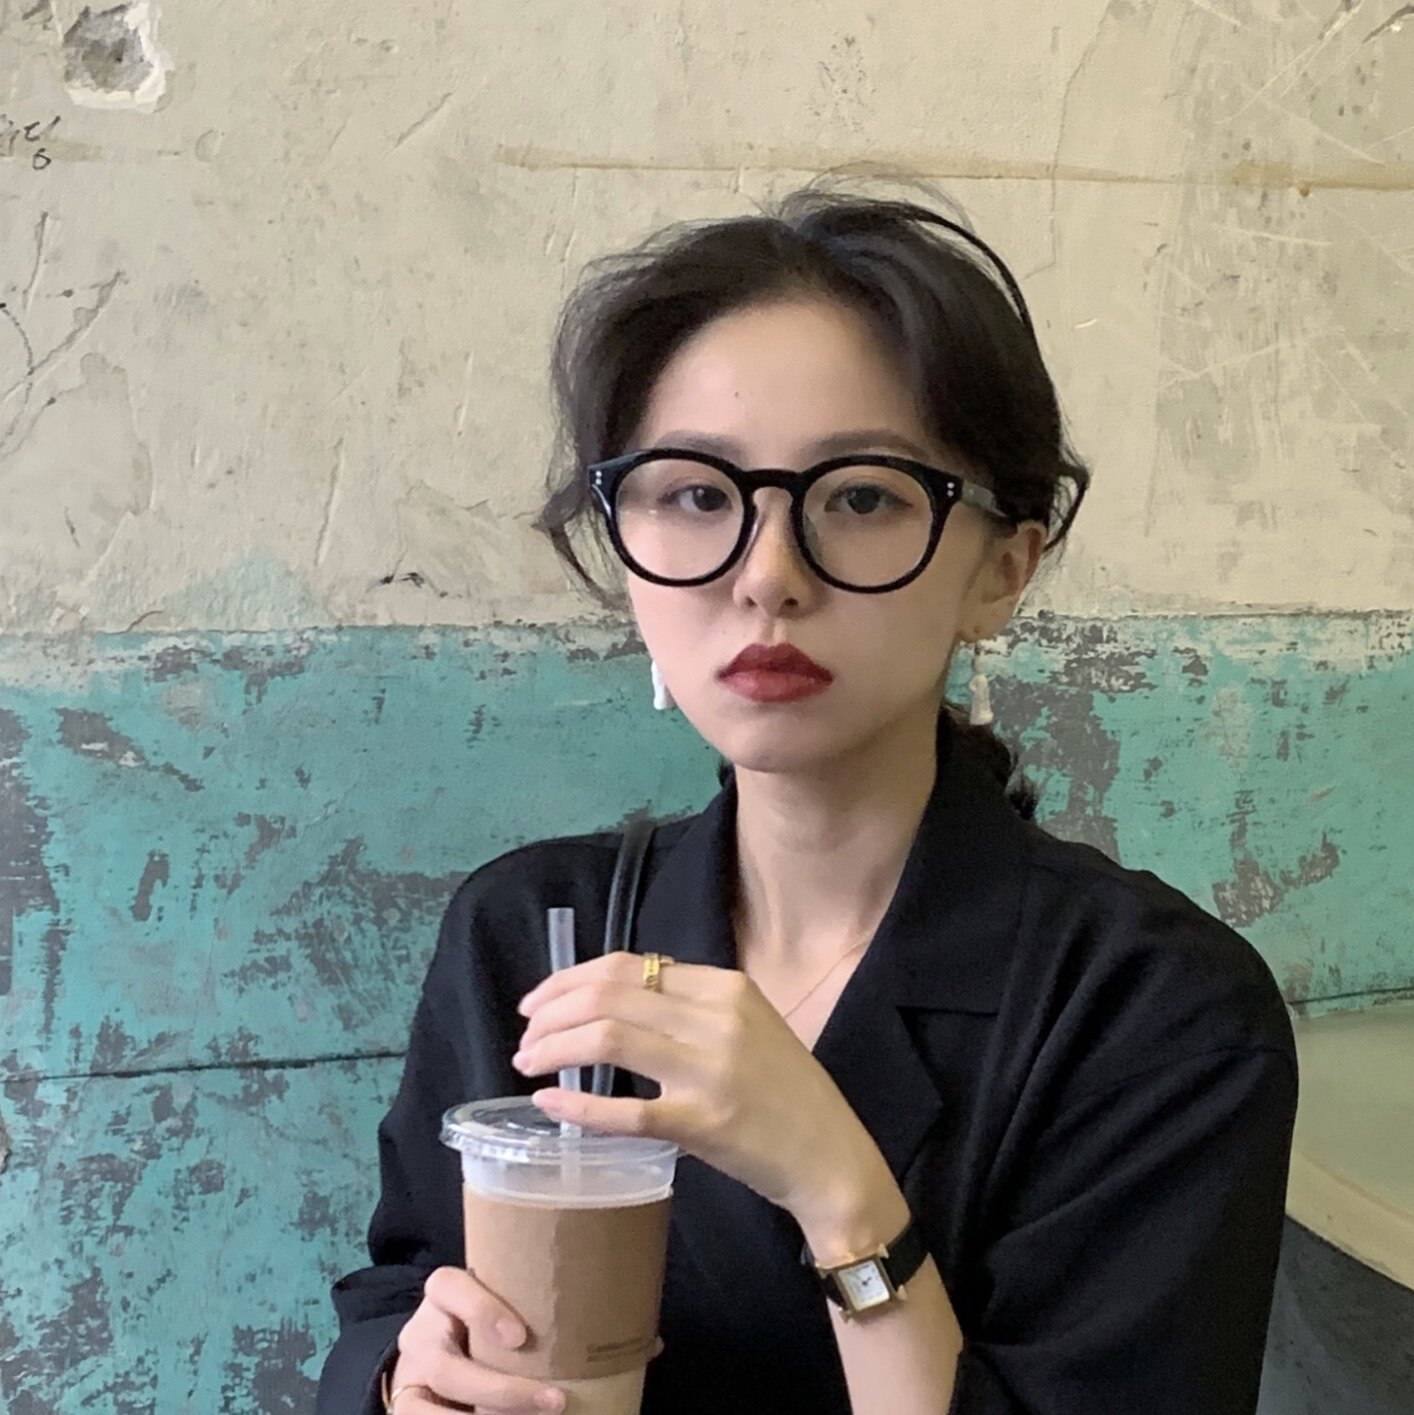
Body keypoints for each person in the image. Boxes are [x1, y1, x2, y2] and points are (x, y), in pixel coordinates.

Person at [316, 188, 1297, 1415]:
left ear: (1001, 568)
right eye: (696, 495)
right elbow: (400, 1285)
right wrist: (408, 1376)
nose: (767, 575)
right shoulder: (528, 928)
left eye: (862, 496)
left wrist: (837, 1186)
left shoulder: (1152, 1009)